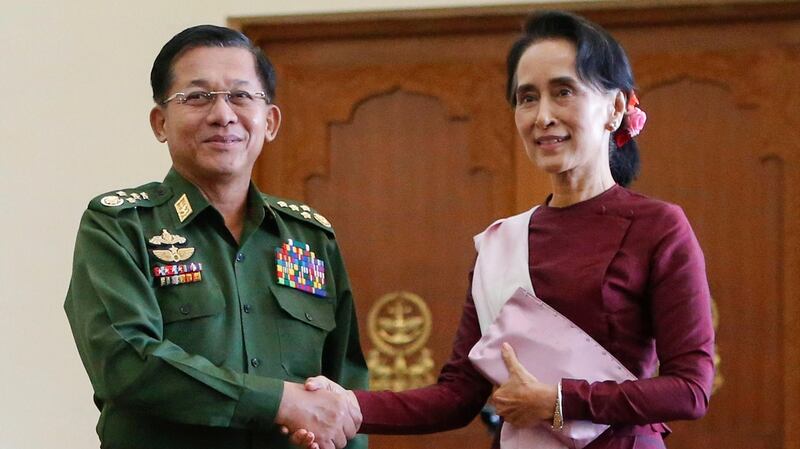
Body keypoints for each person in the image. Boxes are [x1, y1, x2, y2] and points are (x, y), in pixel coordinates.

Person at [290, 10, 715, 449]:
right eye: (527, 98)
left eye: (563, 92)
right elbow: (458, 395)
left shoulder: (658, 226)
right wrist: (350, 408)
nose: (542, 116)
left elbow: (691, 389)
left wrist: (559, 400)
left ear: (617, 107)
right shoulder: (500, 242)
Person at [64, 25, 367, 449]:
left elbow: (346, 391)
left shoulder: (310, 237)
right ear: (160, 122)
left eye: (241, 96)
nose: (223, 114)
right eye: (197, 96)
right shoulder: (120, 225)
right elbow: (125, 362)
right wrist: (277, 401)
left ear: (271, 121)